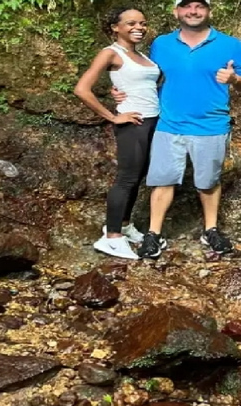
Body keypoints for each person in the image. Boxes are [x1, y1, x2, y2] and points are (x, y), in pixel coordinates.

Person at [114, 0, 241, 259]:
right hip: (169, 124)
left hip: (211, 125)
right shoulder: (161, 44)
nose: (193, 11)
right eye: (186, 6)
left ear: (208, 11)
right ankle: (154, 234)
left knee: (208, 182)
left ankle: (210, 230)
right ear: (176, 11)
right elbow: (147, 76)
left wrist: (235, 79)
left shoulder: (231, 44)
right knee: (162, 181)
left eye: (199, 6)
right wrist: (122, 91)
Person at [74, 6, 160, 260]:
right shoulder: (111, 53)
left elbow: (143, 85)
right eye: (131, 23)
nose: (139, 28)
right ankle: (111, 237)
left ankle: (124, 225)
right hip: (132, 124)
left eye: (142, 23)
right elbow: (82, 89)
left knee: (138, 176)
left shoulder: (141, 55)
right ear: (115, 27)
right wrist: (113, 116)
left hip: (152, 121)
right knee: (126, 178)